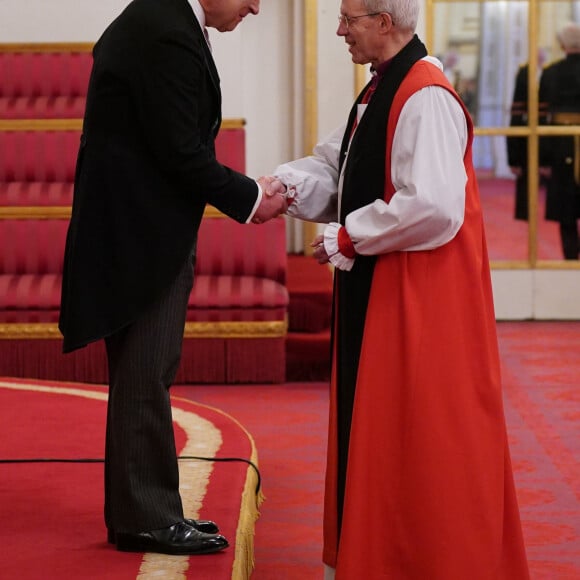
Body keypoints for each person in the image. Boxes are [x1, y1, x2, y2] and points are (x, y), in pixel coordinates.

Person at [267, 0, 530, 577]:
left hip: (422, 298)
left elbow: (434, 206)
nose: (340, 30)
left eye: (349, 19)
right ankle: (383, 555)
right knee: (388, 432)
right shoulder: (381, 90)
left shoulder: (425, 95)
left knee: (425, 434)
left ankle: (431, 561)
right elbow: (339, 167)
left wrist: (352, 237)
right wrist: (280, 188)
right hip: (391, 287)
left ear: (384, 23)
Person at [58, 0, 286, 556]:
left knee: (147, 373)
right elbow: (180, 150)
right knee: (144, 374)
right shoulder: (163, 31)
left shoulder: (162, 20)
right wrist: (251, 197)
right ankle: (147, 519)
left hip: (139, 230)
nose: (256, 7)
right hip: (139, 238)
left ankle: (149, 510)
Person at [539, 22, 580, 259]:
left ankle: (570, 258)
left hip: (559, 143)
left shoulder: (551, 72)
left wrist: (543, 157)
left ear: (562, 45)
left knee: (566, 209)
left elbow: (542, 119)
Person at [507, 49, 548, 221]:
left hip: (543, 125)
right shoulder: (525, 72)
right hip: (525, 124)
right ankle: (524, 211)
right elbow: (518, 106)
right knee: (525, 171)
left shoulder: (545, 72)